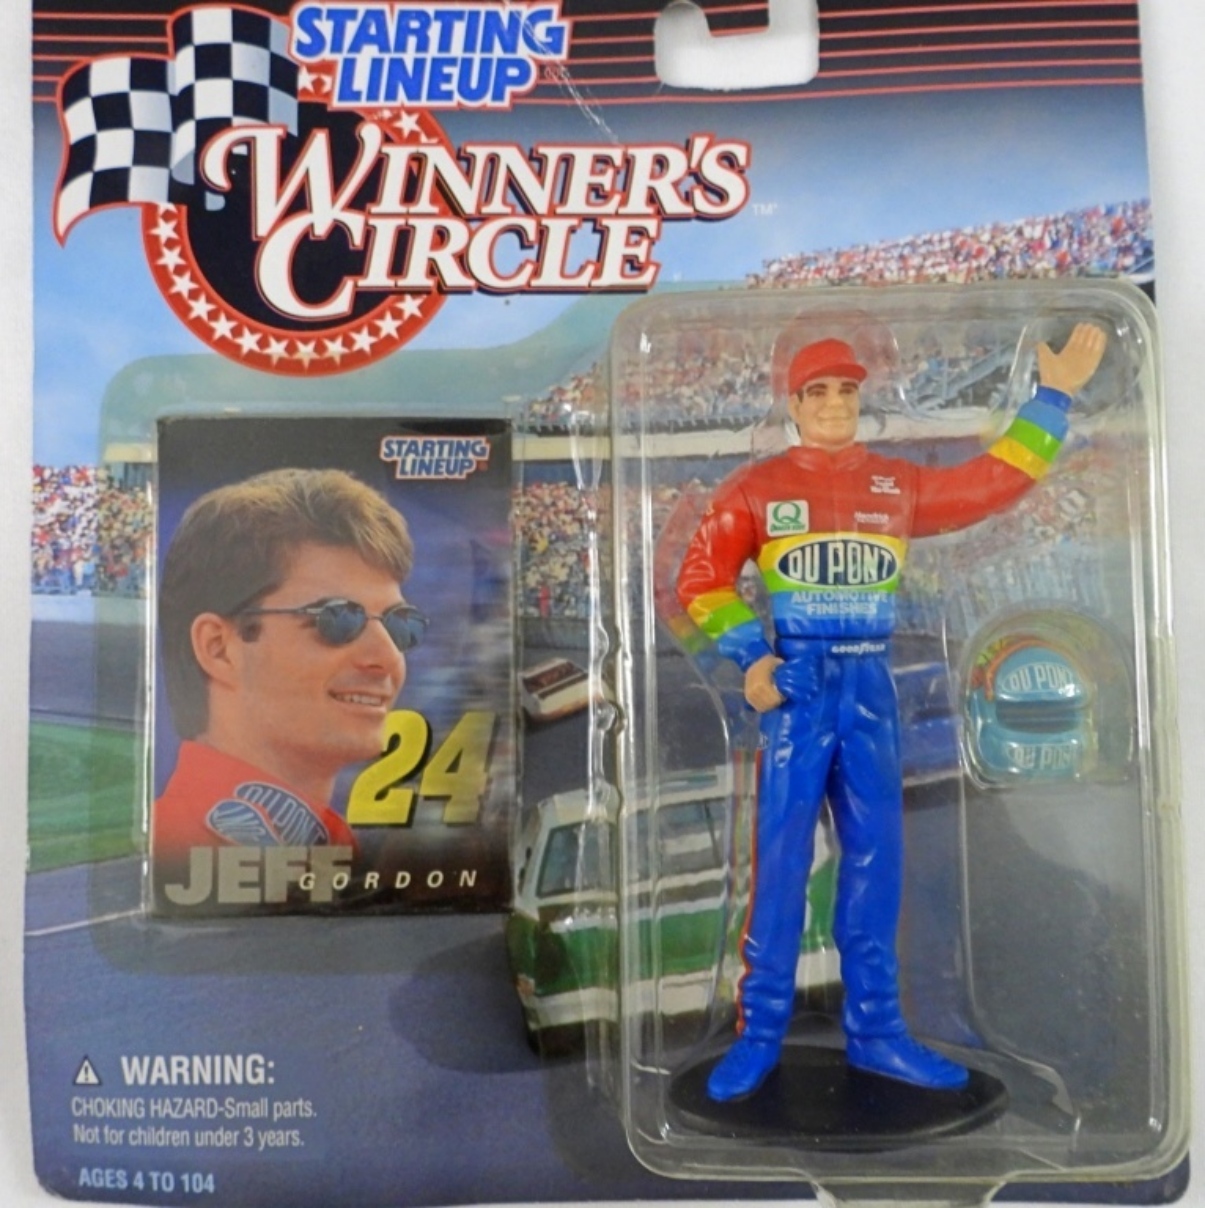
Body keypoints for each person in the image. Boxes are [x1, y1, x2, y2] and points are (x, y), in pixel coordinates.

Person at [676, 326, 1107, 1100]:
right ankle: (759, 1035)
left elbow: (987, 484)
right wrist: (754, 660)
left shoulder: (892, 483)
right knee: (780, 865)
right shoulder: (756, 486)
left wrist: (1051, 398)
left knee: (877, 861)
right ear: (793, 404)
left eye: (845, 390)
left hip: (870, 685)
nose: (834, 403)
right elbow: (700, 579)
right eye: (818, 391)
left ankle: (877, 1033)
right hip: (800, 687)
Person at [152, 468, 426, 875]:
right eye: (337, 619)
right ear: (219, 648)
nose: (387, 656)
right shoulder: (171, 850)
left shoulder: (330, 849)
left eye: (400, 623)